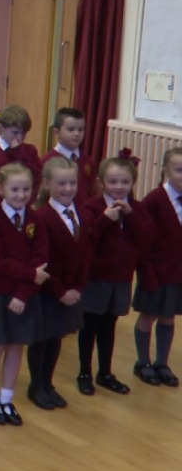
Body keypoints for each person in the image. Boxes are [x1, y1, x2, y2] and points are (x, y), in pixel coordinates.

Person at [0, 163, 50, 426]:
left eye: (26, 189)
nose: (21, 195)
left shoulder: (36, 219)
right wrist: (30, 275)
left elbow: (40, 259)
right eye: (15, 189)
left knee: (16, 346)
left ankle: (7, 399)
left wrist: (23, 293)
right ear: (0, 189)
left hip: (24, 295)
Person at [77, 157, 148, 396]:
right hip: (97, 278)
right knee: (90, 325)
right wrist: (105, 220)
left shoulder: (137, 208)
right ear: (101, 182)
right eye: (113, 181)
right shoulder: (92, 207)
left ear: (133, 182)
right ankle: (84, 372)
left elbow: (146, 237)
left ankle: (105, 372)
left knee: (109, 325)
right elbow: (87, 239)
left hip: (121, 278)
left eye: (125, 182)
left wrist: (131, 215)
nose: (119, 186)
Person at [28, 157, 89, 411]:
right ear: (46, 184)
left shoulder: (82, 214)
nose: (68, 188)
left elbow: (86, 253)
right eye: (61, 183)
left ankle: (48, 383)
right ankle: (36, 385)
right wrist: (60, 291)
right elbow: (41, 260)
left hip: (71, 289)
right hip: (48, 290)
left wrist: (77, 287)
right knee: (41, 338)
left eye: (72, 183)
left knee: (56, 338)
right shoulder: (41, 217)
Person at [132, 147, 182, 387]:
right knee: (148, 315)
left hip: (177, 273)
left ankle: (162, 363)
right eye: (179, 170)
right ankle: (142, 362)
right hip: (155, 272)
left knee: (168, 317)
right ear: (165, 170)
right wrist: (146, 272)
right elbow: (142, 240)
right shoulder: (153, 200)